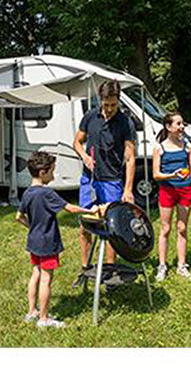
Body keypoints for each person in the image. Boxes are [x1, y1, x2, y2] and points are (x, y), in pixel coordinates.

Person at [16, 151, 96, 328]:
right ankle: (44, 319)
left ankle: (32, 311)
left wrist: (32, 227)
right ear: (42, 172)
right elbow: (70, 209)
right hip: (47, 242)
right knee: (46, 279)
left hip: (34, 241)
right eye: (52, 171)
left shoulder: (28, 193)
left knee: (36, 273)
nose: (54, 175)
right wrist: (90, 210)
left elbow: (18, 217)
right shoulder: (47, 193)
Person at [72, 80, 136, 281]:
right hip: (89, 180)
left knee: (111, 227)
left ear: (118, 101)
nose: (109, 109)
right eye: (106, 104)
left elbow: (130, 158)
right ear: (100, 100)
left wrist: (128, 189)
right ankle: (85, 269)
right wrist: (84, 156)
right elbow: (77, 142)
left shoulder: (125, 123)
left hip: (112, 181)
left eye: (113, 105)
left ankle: (108, 270)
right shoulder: (90, 116)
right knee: (85, 224)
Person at [152, 112, 191, 281]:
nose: (182, 127)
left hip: (185, 190)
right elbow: (156, 175)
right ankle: (162, 266)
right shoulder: (159, 148)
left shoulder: (188, 147)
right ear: (168, 127)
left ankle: (182, 266)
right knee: (165, 229)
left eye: (182, 124)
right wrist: (172, 175)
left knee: (182, 228)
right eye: (178, 124)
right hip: (167, 191)